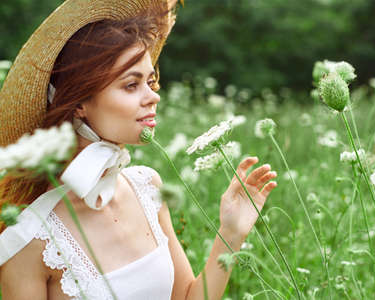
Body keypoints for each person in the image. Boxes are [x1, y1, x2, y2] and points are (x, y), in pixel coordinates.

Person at [0, 0, 278, 299]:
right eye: (131, 85)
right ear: (79, 103)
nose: (152, 97)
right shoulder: (29, 239)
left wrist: (231, 233)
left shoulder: (147, 187)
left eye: (150, 81)